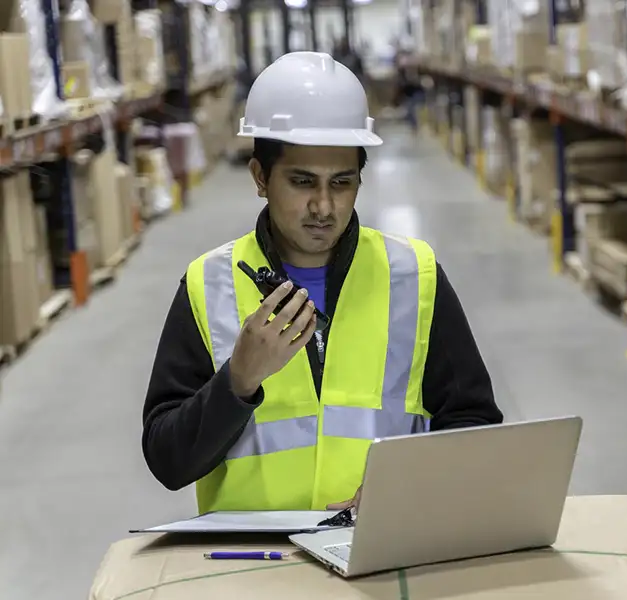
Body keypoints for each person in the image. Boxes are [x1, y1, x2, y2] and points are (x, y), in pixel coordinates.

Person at [141, 52, 502, 515]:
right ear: (260, 178)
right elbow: (167, 461)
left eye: (342, 183)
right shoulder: (208, 286)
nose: (324, 207)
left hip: (378, 552)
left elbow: (475, 423)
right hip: (257, 566)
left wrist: (411, 490)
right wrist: (238, 380)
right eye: (303, 181)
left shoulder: (414, 275)